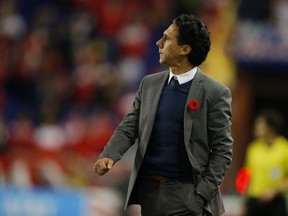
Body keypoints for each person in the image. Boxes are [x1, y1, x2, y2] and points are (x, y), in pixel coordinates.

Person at [94, 13, 233, 216]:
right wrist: (109, 154)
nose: (158, 43)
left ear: (185, 49)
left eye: (166, 38)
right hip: (150, 193)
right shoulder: (149, 84)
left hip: (187, 195)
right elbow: (130, 125)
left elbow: (222, 150)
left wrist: (200, 195)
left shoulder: (215, 93)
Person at [243, 109, 288, 216]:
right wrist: (244, 199)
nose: (255, 128)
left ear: (271, 127)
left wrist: (274, 191)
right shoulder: (253, 148)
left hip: (275, 202)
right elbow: (246, 175)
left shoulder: (285, 148)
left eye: (260, 124)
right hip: (254, 201)